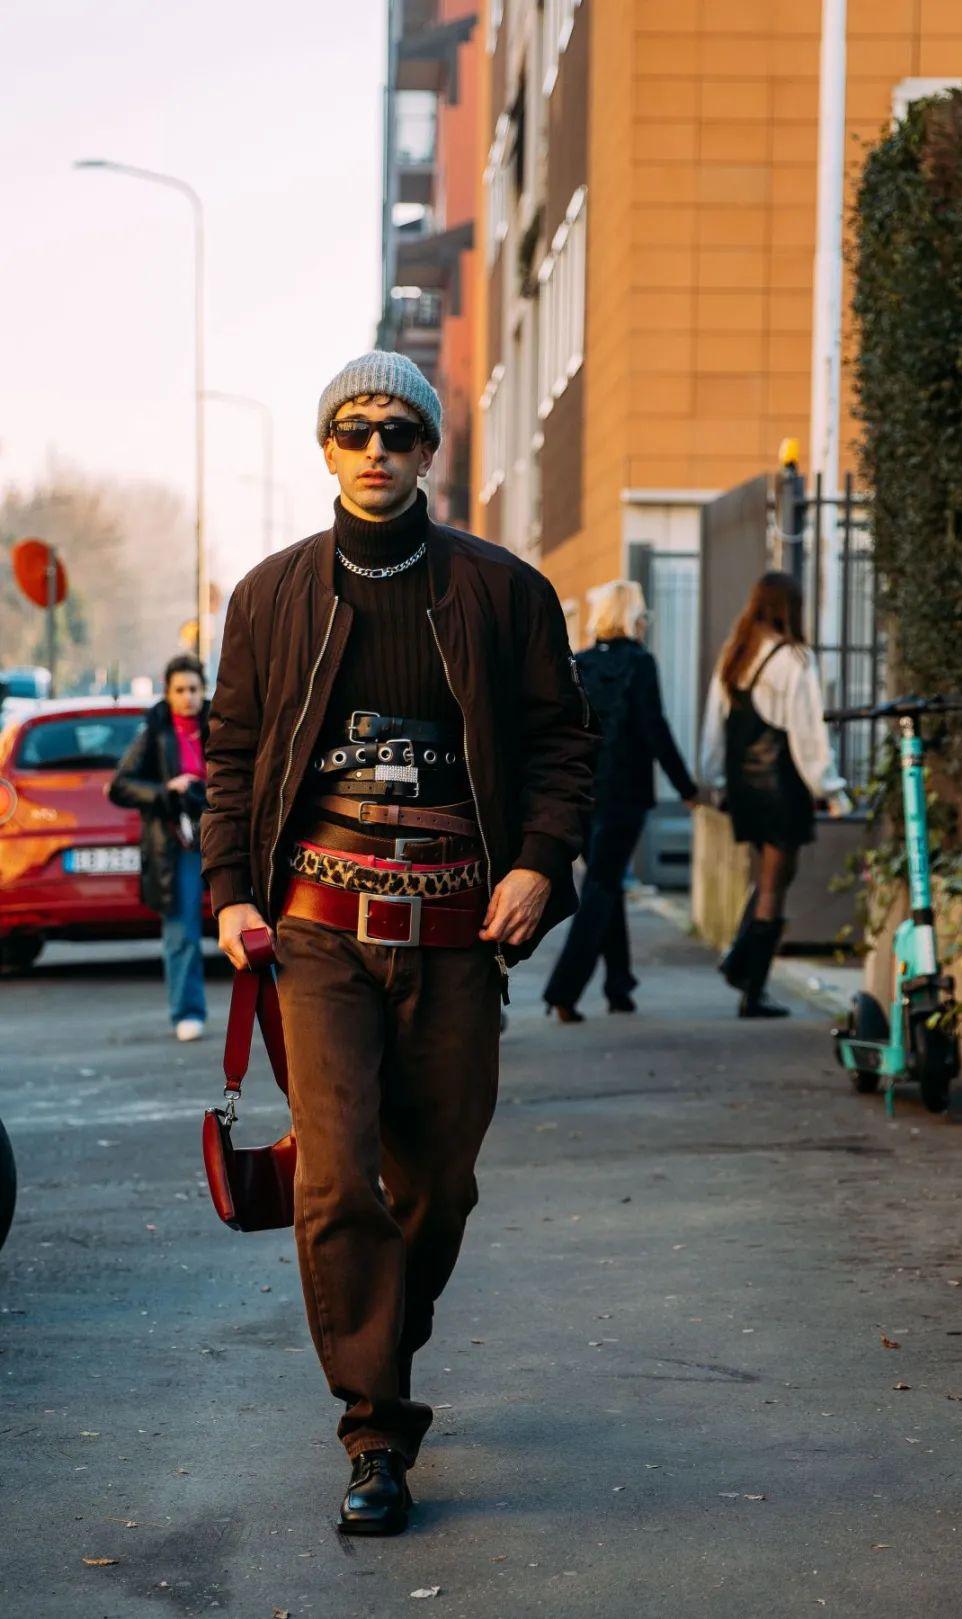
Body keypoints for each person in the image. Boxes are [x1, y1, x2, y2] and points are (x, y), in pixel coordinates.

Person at [201, 351, 594, 1536]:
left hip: (457, 925)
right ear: (327, 449)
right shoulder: (269, 595)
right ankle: (375, 1428)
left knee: (442, 1180)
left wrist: (540, 859)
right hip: (316, 927)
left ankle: (386, 1324)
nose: (377, 446)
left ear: (430, 451)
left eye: (400, 429)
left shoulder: (507, 592)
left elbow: (565, 744)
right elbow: (229, 756)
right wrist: (229, 891)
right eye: (354, 427)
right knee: (334, 1170)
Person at [542, 579, 697, 1022]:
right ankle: (563, 991)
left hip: (584, 790)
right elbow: (655, 730)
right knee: (603, 887)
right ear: (634, 616)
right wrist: (686, 788)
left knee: (605, 883)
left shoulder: (580, 663)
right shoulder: (641, 664)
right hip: (625, 796)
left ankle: (619, 985)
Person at [699, 572, 850, 1019]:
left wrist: (714, 779)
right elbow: (808, 735)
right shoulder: (794, 660)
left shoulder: (736, 654)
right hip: (781, 787)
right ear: (791, 607)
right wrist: (830, 788)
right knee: (774, 884)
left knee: (766, 878)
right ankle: (752, 988)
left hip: (744, 787)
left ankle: (740, 962)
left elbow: (714, 726)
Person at [109, 654, 210, 1041]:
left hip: (221, 834)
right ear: (168, 693)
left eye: (195, 689)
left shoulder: (220, 725)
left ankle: (274, 1009)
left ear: (204, 690)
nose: (188, 697)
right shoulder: (156, 730)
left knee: (253, 925)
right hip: (176, 841)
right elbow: (121, 784)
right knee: (182, 931)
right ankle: (187, 1012)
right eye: (180, 690)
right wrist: (166, 790)